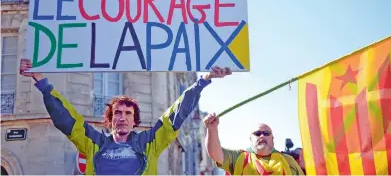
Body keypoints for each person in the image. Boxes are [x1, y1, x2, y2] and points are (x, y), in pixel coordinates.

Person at [19, 58, 232, 175]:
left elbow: (176, 113)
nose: (122, 117)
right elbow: (66, 118)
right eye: (117, 113)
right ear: (110, 120)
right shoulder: (94, 142)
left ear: (134, 120)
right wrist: (41, 81)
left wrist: (204, 80)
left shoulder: (150, 142)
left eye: (128, 114)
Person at [204, 113, 305, 175]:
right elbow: (215, 154)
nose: (262, 136)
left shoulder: (288, 161)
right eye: (257, 133)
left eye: (266, 133)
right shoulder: (239, 157)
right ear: (250, 139)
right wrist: (212, 129)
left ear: (272, 138)